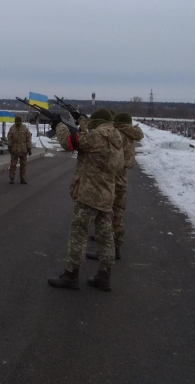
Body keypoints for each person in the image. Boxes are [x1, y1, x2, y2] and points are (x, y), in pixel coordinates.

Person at [48, 108, 124, 292]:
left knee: (78, 234)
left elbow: (69, 143)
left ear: (97, 122)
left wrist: (59, 125)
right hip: (107, 195)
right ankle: (104, 276)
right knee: (106, 237)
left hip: (89, 195)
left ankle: (71, 275)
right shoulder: (117, 139)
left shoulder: (96, 137)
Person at [86, 112, 145, 261]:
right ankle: (116, 246)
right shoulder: (131, 135)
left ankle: (105, 250)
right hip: (122, 179)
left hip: (111, 178)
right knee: (117, 214)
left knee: (106, 214)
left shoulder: (117, 134)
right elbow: (130, 162)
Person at [7, 116, 33, 184]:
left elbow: (28, 139)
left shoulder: (25, 129)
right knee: (13, 165)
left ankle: (22, 178)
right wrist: (9, 146)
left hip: (23, 150)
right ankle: (11, 178)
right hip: (14, 150)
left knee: (23, 165)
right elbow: (9, 138)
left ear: (21, 121)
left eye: (19, 121)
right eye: (16, 121)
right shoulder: (12, 129)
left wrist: (29, 148)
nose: (17, 123)